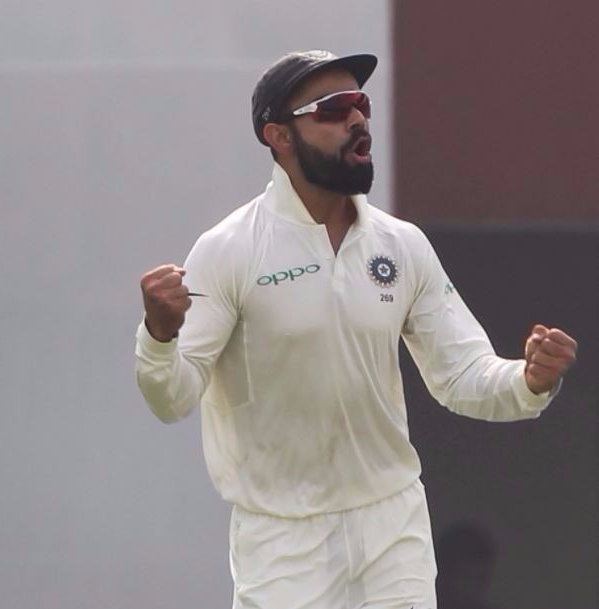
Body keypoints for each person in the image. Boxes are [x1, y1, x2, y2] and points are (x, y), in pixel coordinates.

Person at [134, 50, 578, 609]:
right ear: (279, 136)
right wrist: (159, 336)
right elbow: (171, 399)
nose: (358, 119)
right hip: (281, 539)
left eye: (361, 104)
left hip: (392, 527)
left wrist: (528, 381)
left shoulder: (401, 244)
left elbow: (461, 374)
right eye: (334, 108)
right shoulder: (229, 250)